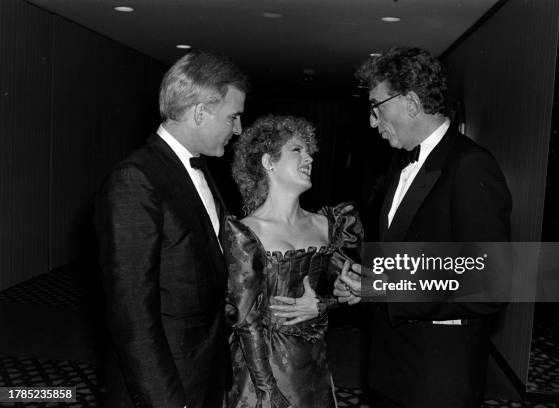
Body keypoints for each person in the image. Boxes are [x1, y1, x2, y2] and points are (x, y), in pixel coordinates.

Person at [334, 47, 512, 408]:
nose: (372, 120)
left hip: (437, 378)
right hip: (392, 365)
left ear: (411, 102)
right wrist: (367, 282)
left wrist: (387, 289)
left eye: (375, 106)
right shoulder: (401, 162)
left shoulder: (470, 165)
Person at [94, 51, 247, 408]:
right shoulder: (135, 180)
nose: (238, 129)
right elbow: (132, 315)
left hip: (202, 375)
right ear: (199, 113)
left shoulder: (201, 170)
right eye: (233, 117)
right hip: (165, 389)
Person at [223, 115, 363, 408]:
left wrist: (324, 305)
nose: (309, 158)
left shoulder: (330, 225)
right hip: (260, 371)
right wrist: (267, 390)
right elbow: (244, 321)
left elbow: (358, 287)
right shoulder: (245, 232)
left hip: (314, 368)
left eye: (310, 151)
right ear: (268, 162)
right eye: (297, 150)